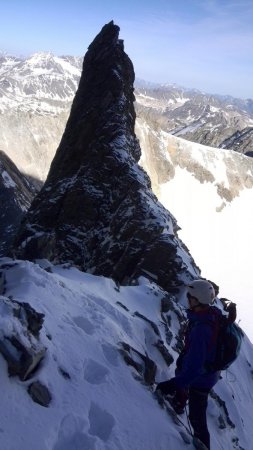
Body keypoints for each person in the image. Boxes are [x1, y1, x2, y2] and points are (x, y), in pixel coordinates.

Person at [156, 279, 222, 450]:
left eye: (190, 296)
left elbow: (193, 371)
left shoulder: (202, 330)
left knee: (196, 416)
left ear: (198, 300)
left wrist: (168, 386)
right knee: (181, 371)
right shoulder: (208, 314)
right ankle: (178, 402)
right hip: (207, 370)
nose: (187, 298)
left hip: (203, 379)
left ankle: (203, 445)